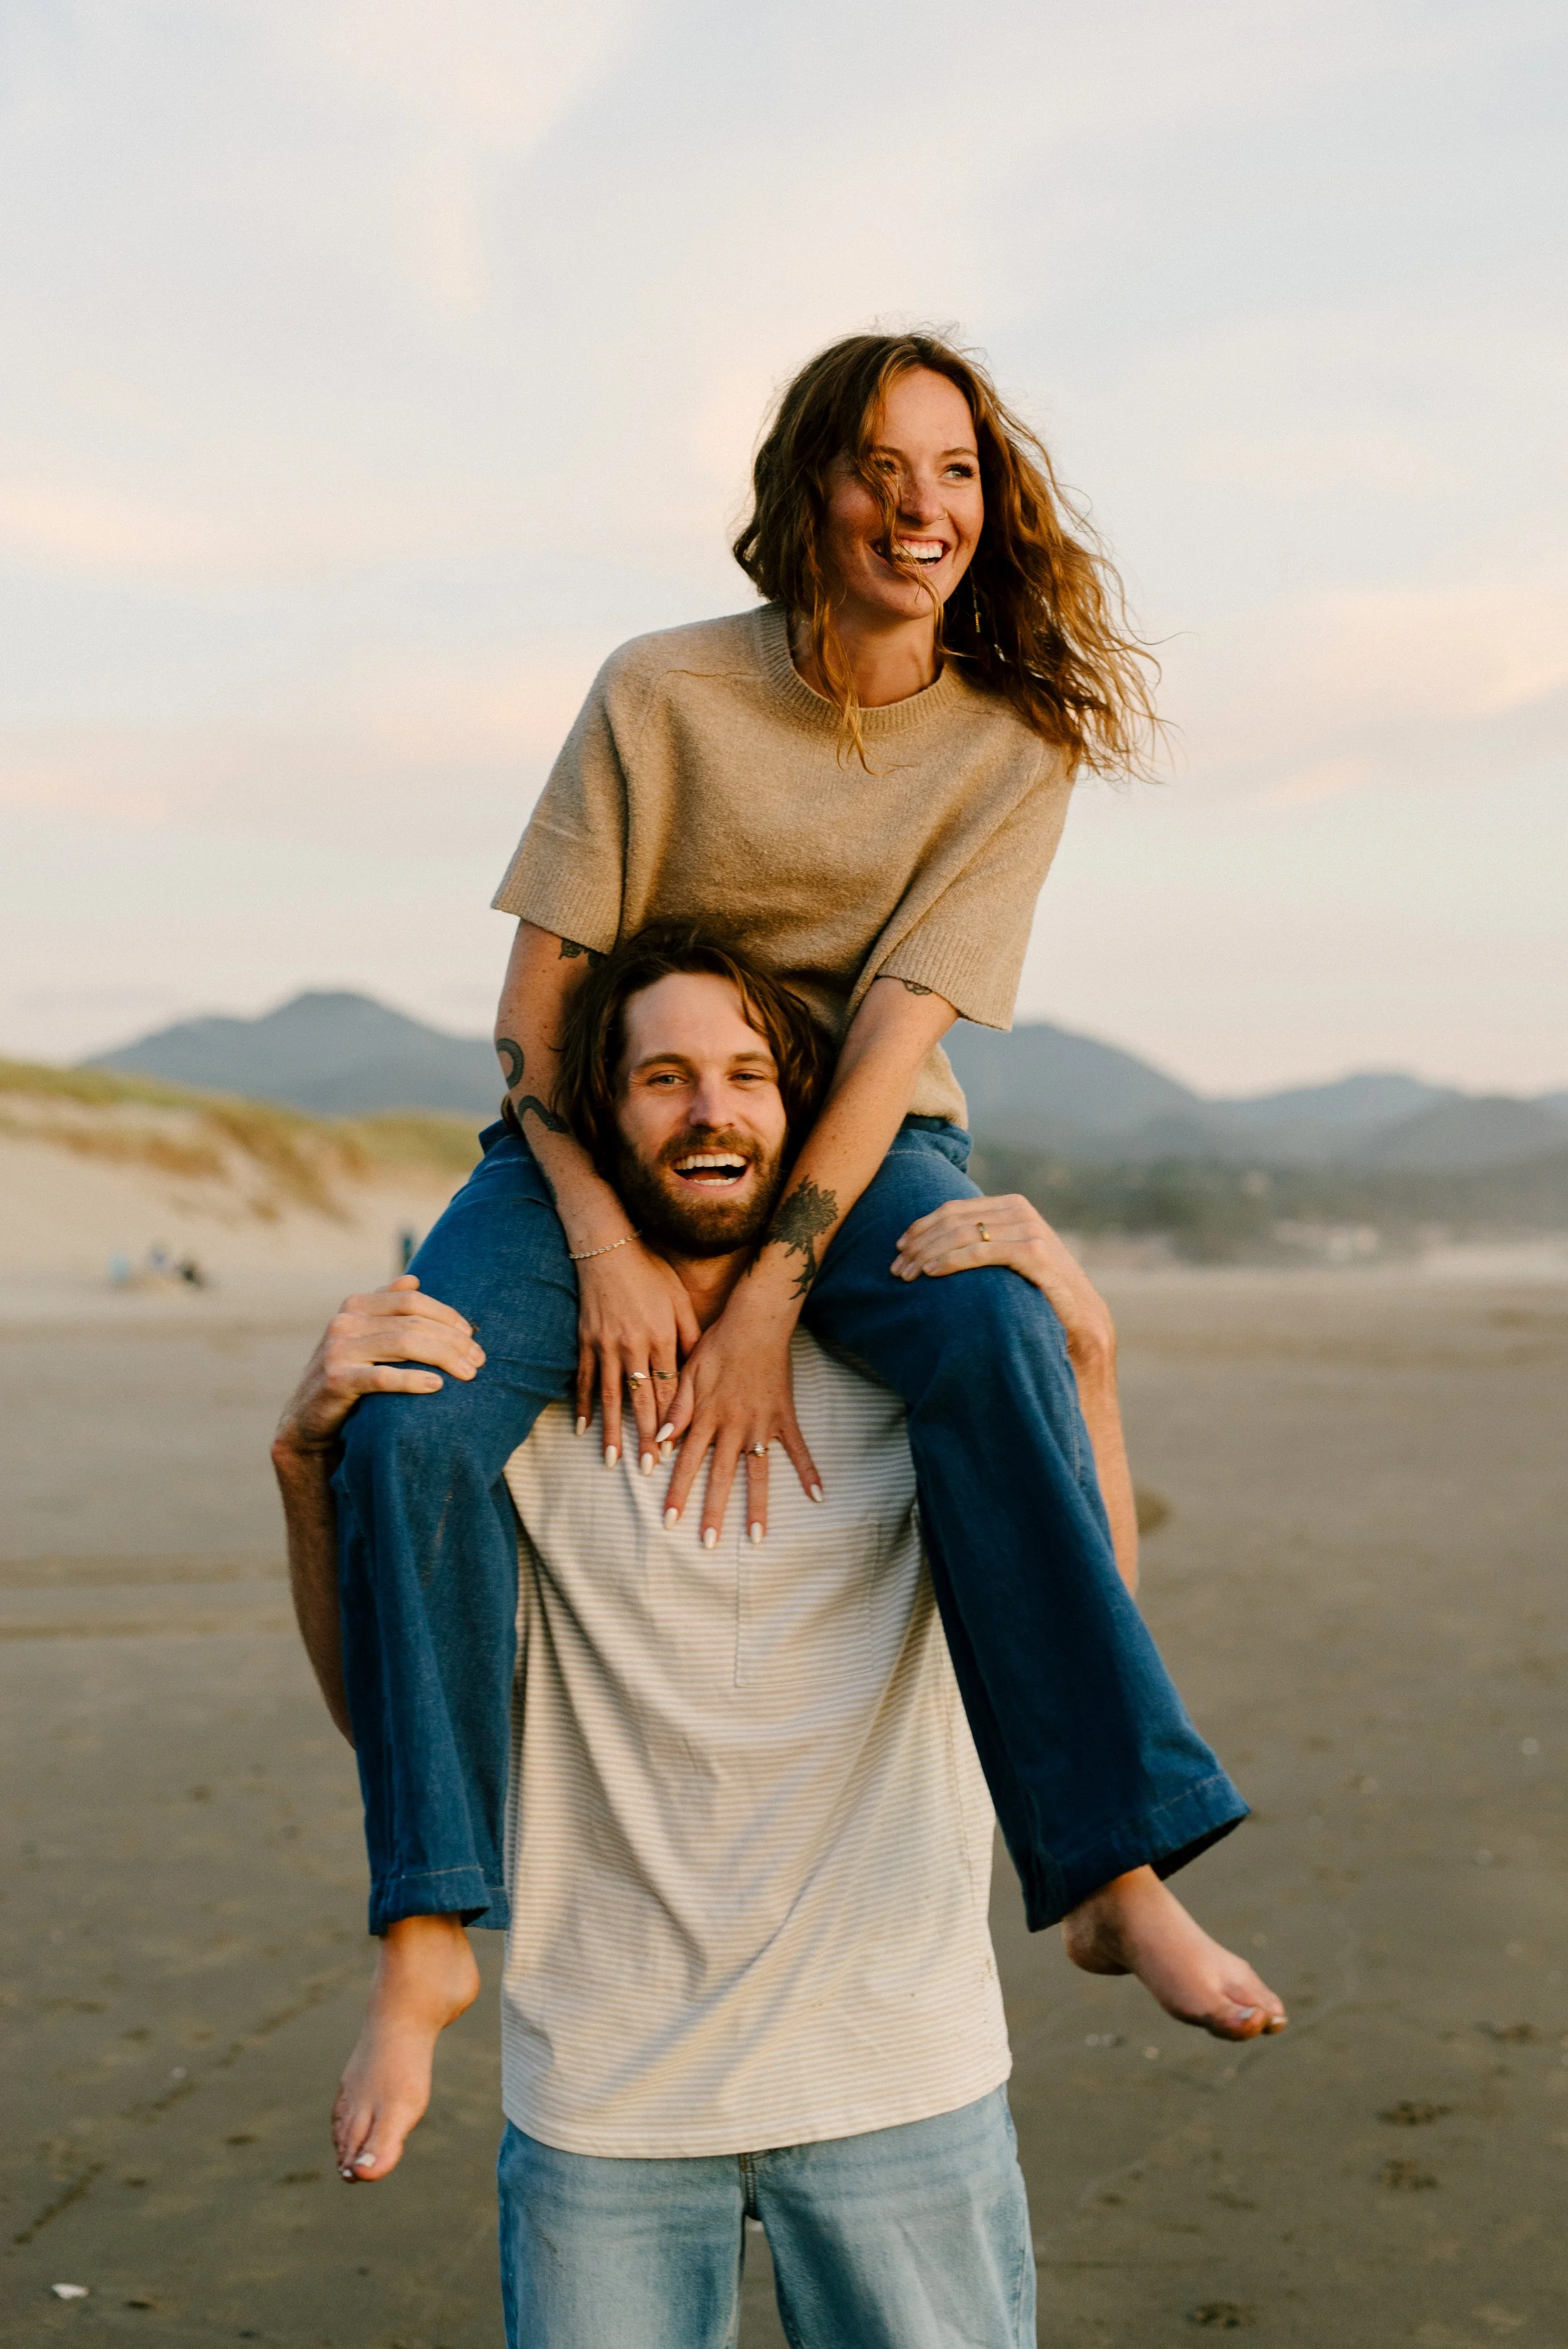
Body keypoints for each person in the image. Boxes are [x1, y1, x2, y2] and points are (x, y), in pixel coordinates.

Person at [332, 329, 1249, 2086]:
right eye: (879, 469)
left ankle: (1109, 1870)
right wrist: (602, 1241)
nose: (922, 509)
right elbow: (535, 1015)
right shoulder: (661, 689)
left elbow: (890, 1045)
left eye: (956, 471)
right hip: (607, 1129)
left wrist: (766, 1297)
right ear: (808, 494)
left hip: (855, 1137)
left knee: (994, 1330)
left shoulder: (1012, 746)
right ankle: (428, 1930)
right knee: (406, 1416)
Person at [273, 938, 1285, 2346]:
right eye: (664, 1079)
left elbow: (1077, 1630)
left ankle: (1116, 1884)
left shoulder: (918, 1359)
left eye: (750, 1077)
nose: (713, 1110)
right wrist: (301, 1465)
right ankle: (424, 1949)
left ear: (809, 1117)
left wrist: (1090, 1366)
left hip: (897, 2073)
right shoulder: (522, 1395)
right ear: (593, 1120)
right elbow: (388, 1711)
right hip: (606, 2096)